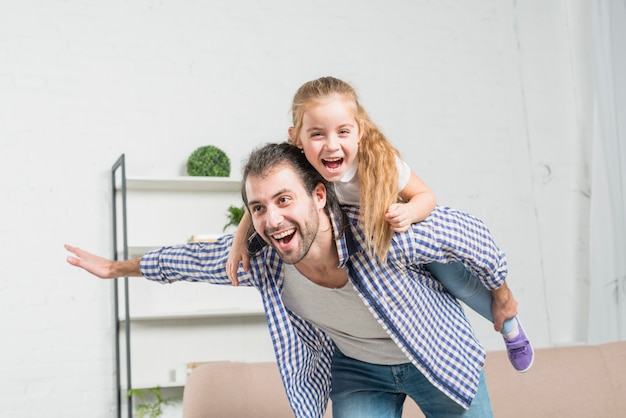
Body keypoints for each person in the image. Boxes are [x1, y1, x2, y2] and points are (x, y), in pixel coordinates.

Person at [67, 142, 517, 418]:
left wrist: (502, 295)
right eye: (259, 207)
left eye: (284, 199)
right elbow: (190, 259)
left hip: (434, 354)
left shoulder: (380, 231)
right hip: (359, 371)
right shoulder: (262, 260)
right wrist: (114, 269)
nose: (273, 219)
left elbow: (468, 236)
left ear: (319, 196)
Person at [227, 76, 533, 372]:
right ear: (296, 138)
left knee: (458, 283)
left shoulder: (379, 161)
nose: (331, 145)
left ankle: (509, 327)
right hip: (375, 253)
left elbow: (426, 196)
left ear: (359, 131)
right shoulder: (299, 166)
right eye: (318, 134)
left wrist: (410, 212)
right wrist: (240, 240)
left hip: (403, 234)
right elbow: (262, 197)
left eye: (342, 132)